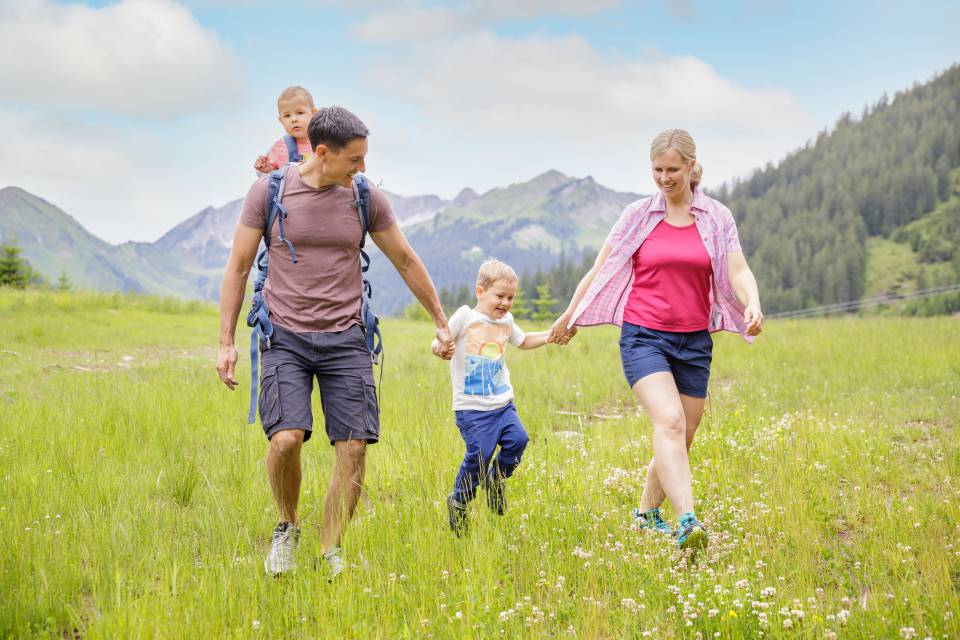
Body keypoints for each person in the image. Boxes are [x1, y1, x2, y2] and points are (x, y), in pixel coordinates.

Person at [218, 105, 454, 577]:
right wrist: (225, 341)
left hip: (346, 336)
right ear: (323, 153)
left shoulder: (365, 197)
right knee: (285, 440)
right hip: (282, 333)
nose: (362, 169)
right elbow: (239, 267)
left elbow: (405, 260)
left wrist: (441, 321)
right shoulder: (270, 191)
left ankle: (330, 549)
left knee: (354, 447)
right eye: (354, 159)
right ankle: (286, 527)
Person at [548, 129, 763, 552]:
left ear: (690, 165)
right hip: (644, 337)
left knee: (682, 437)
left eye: (672, 170)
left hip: (695, 342)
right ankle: (688, 522)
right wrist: (569, 314)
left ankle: (645, 516)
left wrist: (752, 302)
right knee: (668, 422)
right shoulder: (637, 216)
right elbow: (600, 268)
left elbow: (738, 269)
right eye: (657, 170)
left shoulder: (716, 216)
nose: (664, 178)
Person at [432, 259, 555, 536]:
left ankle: (496, 480)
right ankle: (460, 501)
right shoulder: (466, 316)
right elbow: (440, 339)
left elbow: (523, 341)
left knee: (518, 441)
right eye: (500, 296)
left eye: (510, 297)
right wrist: (441, 348)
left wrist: (551, 335)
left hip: (503, 405)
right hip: (472, 408)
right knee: (480, 453)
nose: (506, 303)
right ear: (480, 291)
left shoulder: (507, 321)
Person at [253, 86, 318, 173]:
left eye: (300, 113)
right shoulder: (280, 148)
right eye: (287, 116)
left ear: (314, 114)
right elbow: (275, 179)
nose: (294, 119)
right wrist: (268, 170)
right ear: (281, 121)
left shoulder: (328, 142)